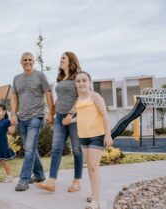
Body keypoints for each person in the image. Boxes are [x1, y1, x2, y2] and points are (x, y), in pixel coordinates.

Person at [35, 52, 83, 192]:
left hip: (73, 118)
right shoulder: (61, 78)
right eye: (60, 58)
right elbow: (59, 99)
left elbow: (80, 97)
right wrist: (51, 113)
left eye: (63, 58)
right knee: (56, 148)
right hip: (60, 118)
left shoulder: (78, 77)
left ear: (71, 60)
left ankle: (76, 182)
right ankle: (51, 182)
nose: (60, 60)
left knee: (76, 150)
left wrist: (70, 114)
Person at [11, 52, 54, 191]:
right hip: (22, 118)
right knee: (31, 148)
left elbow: (48, 93)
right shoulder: (16, 78)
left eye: (30, 59)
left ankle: (24, 180)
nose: (27, 62)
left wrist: (50, 113)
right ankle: (40, 174)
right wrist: (13, 115)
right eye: (25, 60)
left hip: (36, 117)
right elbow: (14, 97)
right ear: (21, 62)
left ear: (33, 61)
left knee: (29, 148)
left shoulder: (40, 76)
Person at [75, 71, 113, 209]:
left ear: (90, 82)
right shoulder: (78, 99)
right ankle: (94, 194)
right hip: (83, 136)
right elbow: (81, 116)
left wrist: (108, 135)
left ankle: (95, 201)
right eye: (78, 81)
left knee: (93, 166)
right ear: (76, 84)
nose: (81, 83)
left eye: (84, 80)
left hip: (97, 136)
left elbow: (105, 115)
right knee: (90, 168)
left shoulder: (95, 96)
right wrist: (69, 119)